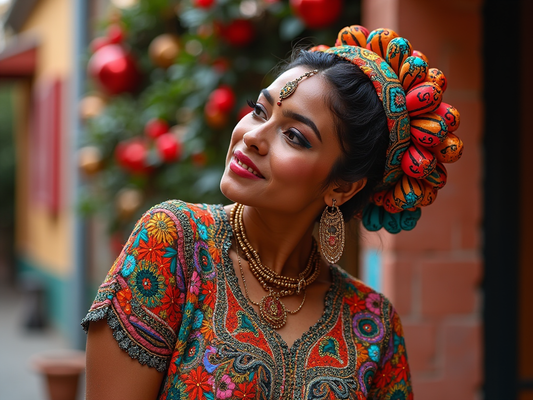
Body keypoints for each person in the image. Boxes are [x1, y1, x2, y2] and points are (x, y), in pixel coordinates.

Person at [82, 24, 462, 400]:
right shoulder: (172, 244)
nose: (252, 136)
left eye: (294, 136)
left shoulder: (374, 326)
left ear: (341, 187)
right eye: (259, 111)